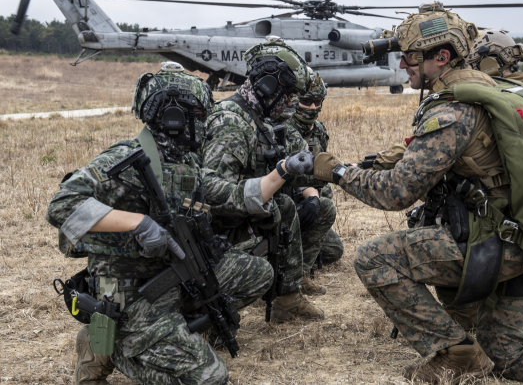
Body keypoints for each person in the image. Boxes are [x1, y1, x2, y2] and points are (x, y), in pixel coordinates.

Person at [312, 5, 523, 384]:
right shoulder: (491, 89)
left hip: (500, 244)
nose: (403, 65)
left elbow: (396, 193)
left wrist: (336, 171)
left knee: (374, 258)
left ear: (442, 57)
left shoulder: (452, 109)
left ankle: (455, 354)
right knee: (509, 352)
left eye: (411, 57)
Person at [46, 62, 274, 385]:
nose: (205, 124)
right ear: (174, 119)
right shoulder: (126, 158)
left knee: (257, 273)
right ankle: (108, 345)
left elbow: (221, 191)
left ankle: (166, 336)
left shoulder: (185, 159)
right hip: (132, 293)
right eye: (199, 116)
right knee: (211, 377)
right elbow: (61, 205)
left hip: (172, 279)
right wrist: (138, 223)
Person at [200, 37, 328, 321]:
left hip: (243, 213)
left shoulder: (259, 117)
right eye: (289, 93)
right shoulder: (231, 122)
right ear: (268, 87)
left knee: (283, 205)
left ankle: (288, 298)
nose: (293, 101)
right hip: (216, 230)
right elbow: (212, 193)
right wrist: (272, 180)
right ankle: (207, 313)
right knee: (278, 206)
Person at [272, 73, 344, 269]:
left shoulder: (318, 130)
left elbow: (321, 171)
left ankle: (297, 253)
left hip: (307, 198)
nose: (313, 107)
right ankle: (295, 272)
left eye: (317, 102)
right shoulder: (282, 129)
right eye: (306, 101)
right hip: (282, 199)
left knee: (334, 249)